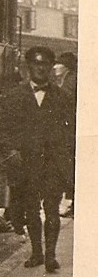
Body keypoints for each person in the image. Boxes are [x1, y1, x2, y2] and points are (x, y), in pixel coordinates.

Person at [0, 46, 74, 272]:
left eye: (45, 65)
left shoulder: (63, 97)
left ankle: (50, 257)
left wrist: (66, 161)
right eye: (36, 64)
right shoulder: (15, 96)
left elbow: (70, 132)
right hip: (26, 164)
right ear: (28, 67)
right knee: (31, 210)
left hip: (52, 163)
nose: (40, 69)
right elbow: (5, 129)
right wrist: (11, 151)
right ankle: (36, 253)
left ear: (51, 68)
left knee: (51, 210)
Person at [54, 52, 78, 217]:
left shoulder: (70, 81)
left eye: (58, 64)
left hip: (70, 129)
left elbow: (65, 101)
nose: (55, 67)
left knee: (70, 164)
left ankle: (73, 203)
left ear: (66, 67)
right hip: (69, 128)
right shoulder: (67, 79)